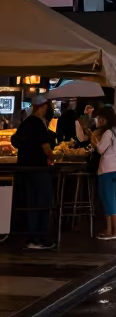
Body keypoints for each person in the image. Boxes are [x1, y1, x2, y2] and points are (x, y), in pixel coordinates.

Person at [12, 96, 55, 250]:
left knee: (31, 202)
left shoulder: (25, 123)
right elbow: (46, 148)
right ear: (42, 106)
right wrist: (51, 157)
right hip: (39, 168)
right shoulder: (38, 124)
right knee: (43, 202)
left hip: (24, 168)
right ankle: (39, 238)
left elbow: (16, 142)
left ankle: (31, 237)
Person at [92, 106, 116, 240]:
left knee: (108, 199)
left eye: (99, 118)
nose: (98, 121)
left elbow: (100, 150)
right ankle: (111, 229)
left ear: (104, 119)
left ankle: (113, 231)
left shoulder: (107, 133)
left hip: (106, 169)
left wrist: (94, 140)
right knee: (110, 198)